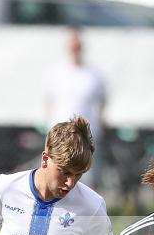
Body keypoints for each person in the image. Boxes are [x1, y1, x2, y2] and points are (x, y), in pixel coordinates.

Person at [44, 28, 107, 187]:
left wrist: (99, 125)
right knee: (58, 179)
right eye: (72, 44)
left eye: (77, 45)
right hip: (60, 138)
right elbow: (49, 102)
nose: (75, 48)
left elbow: (102, 101)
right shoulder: (56, 72)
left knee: (86, 181)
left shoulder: (94, 73)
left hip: (87, 136)